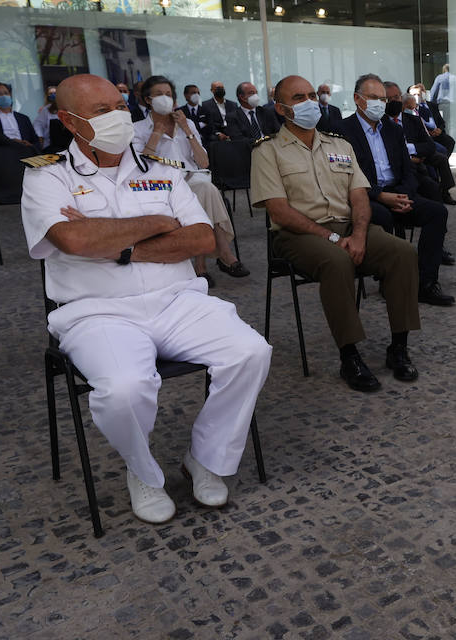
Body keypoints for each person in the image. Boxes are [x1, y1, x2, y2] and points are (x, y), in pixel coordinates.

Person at [20, 73, 272, 524]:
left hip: (176, 299)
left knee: (250, 352)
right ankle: (143, 472)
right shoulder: (47, 175)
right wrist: (159, 219)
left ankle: (206, 459)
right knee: (123, 390)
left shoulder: (161, 169)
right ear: (69, 121)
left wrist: (118, 246)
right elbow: (72, 239)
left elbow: (201, 241)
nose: (118, 117)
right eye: (101, 111)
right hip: (95, 311)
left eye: (119, 106)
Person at [251, 75, 423, 393]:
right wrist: (332, 239)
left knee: (402, 252)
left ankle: (398, 348)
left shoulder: (339, 144)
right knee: (336, 261)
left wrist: (358, 235)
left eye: (312, 95)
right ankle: (350, 356)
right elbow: (279, 211)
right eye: (299, 98)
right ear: (281, 108)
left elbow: (359, 195)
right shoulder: (267, 152)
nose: (310, 102)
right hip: (297, 235)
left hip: (348, 228)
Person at [338, 73, 455, 307]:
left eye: (383, 99)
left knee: (437, 212)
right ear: (357, 99)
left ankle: (425, 283)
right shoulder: (343, 131)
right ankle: (389, 279)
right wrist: (381, 196)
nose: (380, 104)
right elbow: (345, 177)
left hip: (398, 191)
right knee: (382, 215)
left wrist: (404, 194)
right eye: (374, 98)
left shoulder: (392, 130)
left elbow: (407, 171)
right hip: (367, 196)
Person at [131, 75, 250, 281]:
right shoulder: (138, 129)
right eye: (159, 95)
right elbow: (141, 167)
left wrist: (187, 130)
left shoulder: (187, 124)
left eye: (168, 94)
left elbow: (203, 163)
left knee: (203, 188)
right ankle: (222, 254)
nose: (165, 98)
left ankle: (202, 266)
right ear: (148, 100)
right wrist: (157, 132)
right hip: (159, 186)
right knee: (204, 190)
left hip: (191, 179)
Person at [398, 87, 456, 204]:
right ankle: (434, 188)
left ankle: (445, 190)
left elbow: (427, 140)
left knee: (441, 157)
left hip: (422, 148)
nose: (413, 109)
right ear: (403, 106)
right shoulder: (395, 121)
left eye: (414, 107)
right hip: (408, 155)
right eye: (410, 107)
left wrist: (423, 151)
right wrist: (412, 157)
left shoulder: (417, 116)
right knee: (432, 161)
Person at [428, 63, 456, 133]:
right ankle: (454, 138)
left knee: (443, 123)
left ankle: (446, 137)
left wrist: (431, 103)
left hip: (442, 104)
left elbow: (434, 91)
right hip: (454, 104)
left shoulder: (440, 78)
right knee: (453, 123)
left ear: (444, 69)